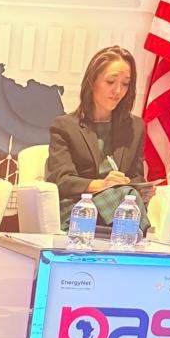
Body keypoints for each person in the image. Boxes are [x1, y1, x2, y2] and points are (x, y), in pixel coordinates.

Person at [46, 45, 149, 232]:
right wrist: (104, 185)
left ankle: (129, 236)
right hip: (79, 206)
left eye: (126, 84)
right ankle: (136, 239)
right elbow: (61, 180)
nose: (118, 90)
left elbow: (136, 176)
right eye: (110, 81)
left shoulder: (135, 126)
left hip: (122, 202)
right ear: (92, 81)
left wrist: (138, 186)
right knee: (126, 198)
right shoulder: (65, 126)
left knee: (127, 197)